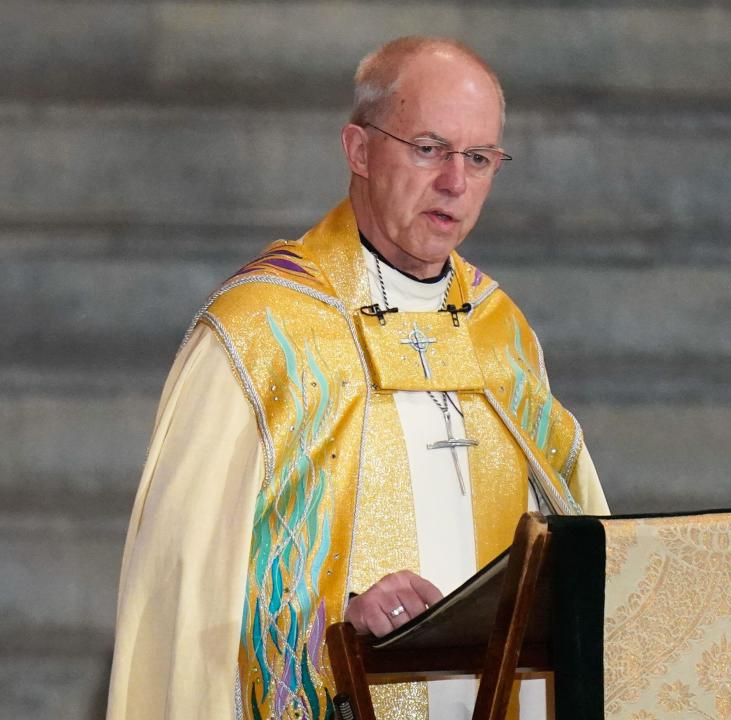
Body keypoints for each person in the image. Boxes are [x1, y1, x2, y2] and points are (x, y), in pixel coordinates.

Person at [106, 36, 608, 719]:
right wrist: (332, 622)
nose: (455, 183)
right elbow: (186, 576)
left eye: (480, 158)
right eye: (429, 148)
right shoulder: (261, 331)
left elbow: (583, 553)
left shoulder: (500, 333)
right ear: (360, 150)